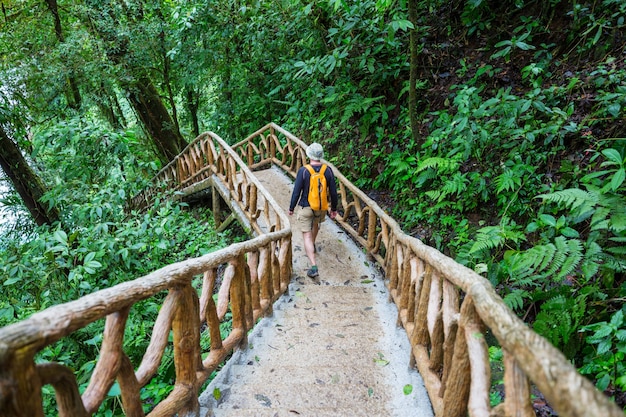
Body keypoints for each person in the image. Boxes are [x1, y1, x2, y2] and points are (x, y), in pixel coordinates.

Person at [288, 142, 338, 278]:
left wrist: (291, 207)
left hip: (305, 207)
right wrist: (333, 208)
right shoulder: (327, 170)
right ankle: (313, 245)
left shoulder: (304, 171)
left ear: (309, 155)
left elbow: (296, 192)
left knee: (307, 236)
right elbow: (333, 192)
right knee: (316, 225)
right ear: (320, 156)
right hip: (321, 207)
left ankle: (313, 266)